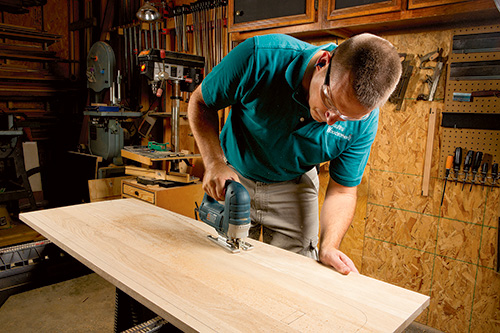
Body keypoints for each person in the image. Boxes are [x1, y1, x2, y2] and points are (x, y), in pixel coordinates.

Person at [187, 33, 401, 275]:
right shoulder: (260, 56)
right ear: (323, 62)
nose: (331, 120)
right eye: (329, 100)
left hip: (294, 184)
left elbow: (343, 189)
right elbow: (200, 103)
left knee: (295, 278)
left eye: (346, 116)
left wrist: (329, 246)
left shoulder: (365, 120)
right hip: (234, 175)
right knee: (212, 269)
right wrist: (214, 163)